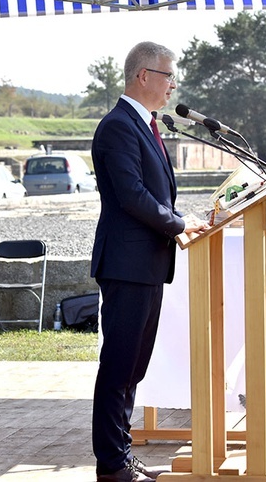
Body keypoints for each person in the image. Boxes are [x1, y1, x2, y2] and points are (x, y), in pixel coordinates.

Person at [89, 42, 209, 482]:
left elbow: (153, 195)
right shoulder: (119, 126)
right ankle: (112, 463)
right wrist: (178, 225)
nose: (173, 84)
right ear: (143, 75)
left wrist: (178, 222)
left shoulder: (146, 125)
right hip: (126, 264)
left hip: (146, 263)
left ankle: (119, 455)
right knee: (119, 365)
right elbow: (132, 195)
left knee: (132, 367)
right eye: (168, 75)